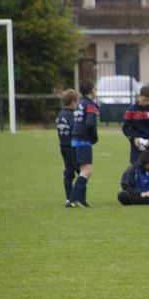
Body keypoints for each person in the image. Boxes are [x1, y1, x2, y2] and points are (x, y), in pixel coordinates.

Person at [67, 79, 99, 208]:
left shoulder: (79, 104)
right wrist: (94, 138)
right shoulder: (90, 105)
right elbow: (90, 123)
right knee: (87, 171)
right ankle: (72, 200)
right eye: (95, 88)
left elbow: (74, 122)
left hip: (75, 140)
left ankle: (81, 199)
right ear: (92, 90)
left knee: (84, 171)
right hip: (83, 140)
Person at [122, 86, 149, 163]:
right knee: (135, 166)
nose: (146, 103)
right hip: (136, 145)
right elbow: (125, 128)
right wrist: (133, 139)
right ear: (139, 96)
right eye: (144, 100)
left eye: (148, 100)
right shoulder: (131, 110)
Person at [55, 89, 79, 206]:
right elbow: (76, 131)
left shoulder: (60, 115)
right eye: (77, 101)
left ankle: (69, 197)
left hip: (63, 146)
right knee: (82, 172)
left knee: (68, 172)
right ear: (73, 102)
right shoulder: (72, 116)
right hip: (72, 147)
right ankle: (75, 197)